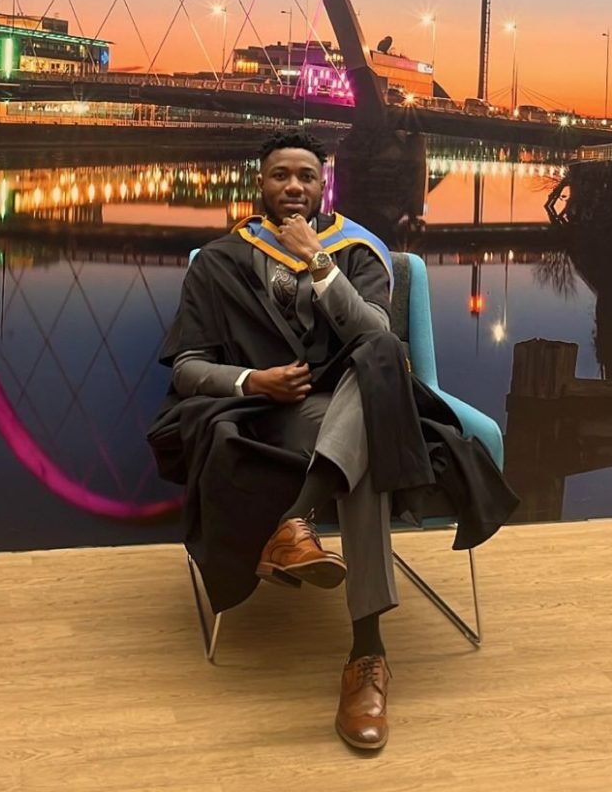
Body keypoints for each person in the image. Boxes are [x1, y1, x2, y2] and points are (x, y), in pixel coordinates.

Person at [148, 130, 518, 751]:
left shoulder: (357, 252)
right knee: (376, 421)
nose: (294, 187)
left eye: (306, 177)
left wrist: (319, 262)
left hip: (352, 401)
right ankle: (366, 657)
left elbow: (374, 336)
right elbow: (186, 364)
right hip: (269, 412)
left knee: (376, 361)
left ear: (325, 185)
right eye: (280, 176)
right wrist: (251, 380)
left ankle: (294, 529)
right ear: (259, 184)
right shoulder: (219, 261)